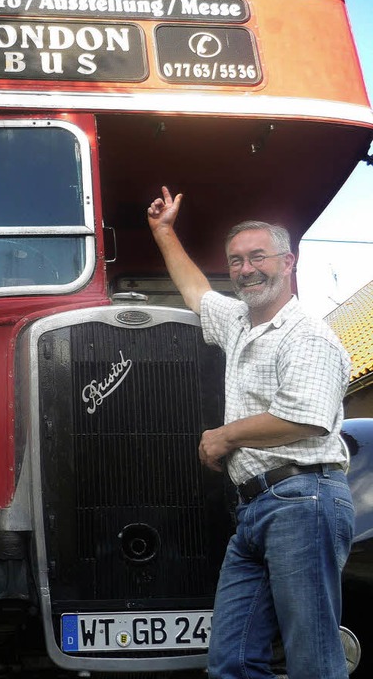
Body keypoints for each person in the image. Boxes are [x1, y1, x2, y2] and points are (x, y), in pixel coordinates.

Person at [147, 186, 354, 679]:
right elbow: (198, 294)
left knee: (314, 659)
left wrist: (226, 435)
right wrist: (163, 232)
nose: (245, 269)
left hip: (305, 501)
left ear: (288, 261)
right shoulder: (240, 321)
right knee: (231, 660)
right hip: (256, 509)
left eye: (257, 257)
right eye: (236, 261)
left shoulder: (307, 335)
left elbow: (306, 417)